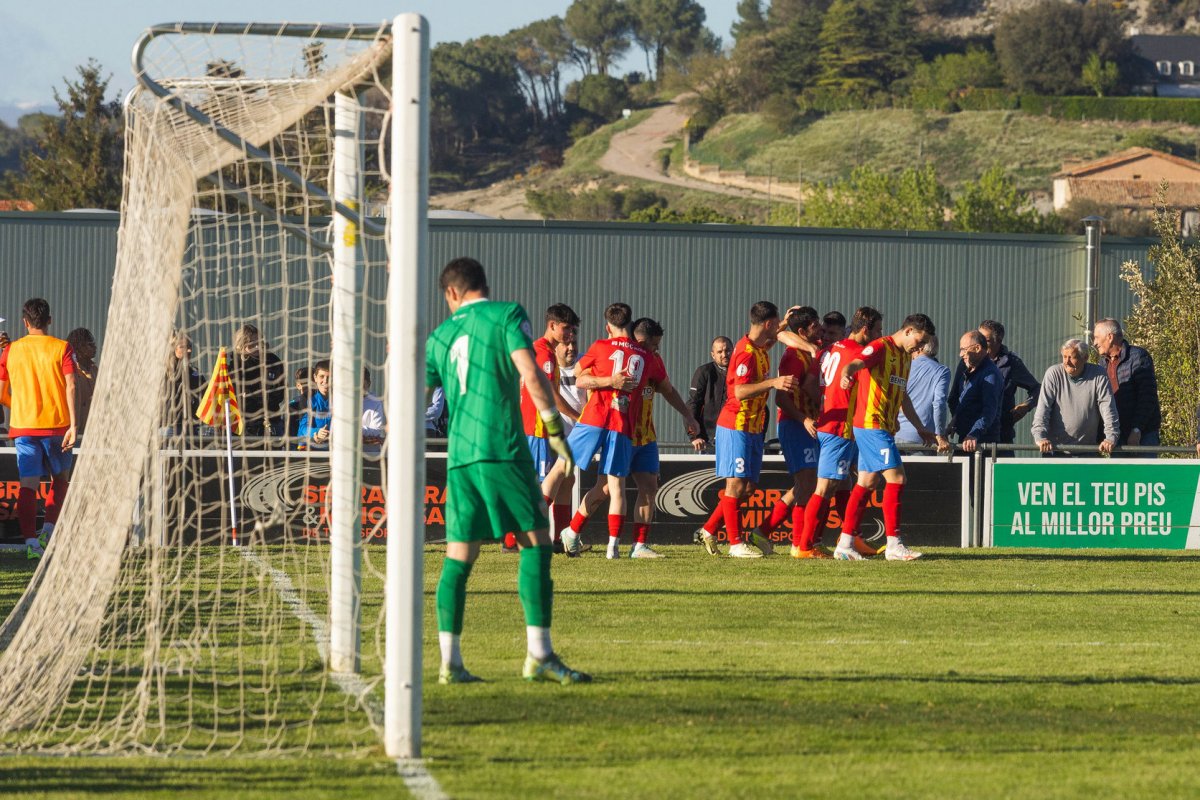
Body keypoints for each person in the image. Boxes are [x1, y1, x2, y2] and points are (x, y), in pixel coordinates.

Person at [425, 256, 588, 685]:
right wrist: (555, 429)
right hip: (502, 446)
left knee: (458, 557)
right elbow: (530, 371)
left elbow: (418, 394)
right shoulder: (507, 314)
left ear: (451, 294)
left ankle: (450, 663)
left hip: (460, 459)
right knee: (537, 542)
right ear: (481, 285)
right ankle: (539, 655)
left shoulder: (439, 336)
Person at [694, 301, 795, 558]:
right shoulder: (746, 352)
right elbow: (738, 391)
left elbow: (769, 341)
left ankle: (708, 529)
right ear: (767, 325)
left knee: (747, 488)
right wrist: (773, 382)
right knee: (735, 484)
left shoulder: (759, 346)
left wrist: (783, 323)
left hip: (752, 427)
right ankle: (736, 543)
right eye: (776, 327)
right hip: (736, 425)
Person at [838, 313, 941, 562]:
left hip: (882, 426)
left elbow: (903, 397)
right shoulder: (880, 347)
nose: (921, 346)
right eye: (919, 339)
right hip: (871, 424)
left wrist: (920, 428)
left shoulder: (906, 357)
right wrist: (847, 373)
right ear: (907, 331)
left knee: (866, 482)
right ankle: (894, 544)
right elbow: (855, 363)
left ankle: (844, 544)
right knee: (897, 477)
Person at [794, 307, 885, 560]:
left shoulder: (833, 349)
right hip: (840, 427)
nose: (880, 334)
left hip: (833, 422)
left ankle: (851, 537)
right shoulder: (858, 354)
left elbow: (811, 384)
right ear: (865, 329)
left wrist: (827, 401)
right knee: (825, 487)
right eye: (877, 330)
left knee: (844, 482)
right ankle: (805, 545)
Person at [0, 298, 77, 559]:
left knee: (28, 485)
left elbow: (1, 394)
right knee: (60, 479)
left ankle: (31, 543)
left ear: (25, 322)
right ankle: (48, 529)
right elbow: (71, 385)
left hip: (24, 426)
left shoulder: (11, 350)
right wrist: (74, 425)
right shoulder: (62, 347)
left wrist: (21, 405)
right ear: (49, 320)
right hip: (57, 425)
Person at [618, 318, 699, 558]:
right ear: (639, 341)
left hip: (646, 437)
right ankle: (574, 531)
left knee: (649, 487)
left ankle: (639, 545)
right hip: (621, 434)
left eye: (658, 345)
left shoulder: (653, 361)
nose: (656, 350)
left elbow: (668, 390)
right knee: (605, 489)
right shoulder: (621, 359)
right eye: (653, 345)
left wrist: (688, 416)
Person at [748, 306, 824, 556]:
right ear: (802, 331)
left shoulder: (814, 347)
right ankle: (800, 545)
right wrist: (803, 419)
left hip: (808, 424)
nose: (820, 328)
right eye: (815, 325)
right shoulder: (793, 356)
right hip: (795, 424)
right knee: (806, 483)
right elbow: (781, 399)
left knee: (804, 485)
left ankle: (763, 532)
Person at [519, 304, 581, 549]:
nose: (570, 335)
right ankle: (518, 539)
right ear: (552, 325)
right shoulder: (544, 354)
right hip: (538, 429)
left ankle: (559, 539)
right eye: (566, 329)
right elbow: (550, 395)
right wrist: (578, 416)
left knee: (566, 479)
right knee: (541, 485)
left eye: (573, 331)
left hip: (540, 428)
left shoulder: (538, 350)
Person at [1031, 338, 1119, 456]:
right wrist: (1040, 436)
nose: (1066, 362)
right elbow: (1043, 409)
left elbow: (1107, 407)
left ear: (1085, 358)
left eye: (1072, 357)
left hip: (1088, 451)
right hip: (1056, 450)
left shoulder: (1098, 374)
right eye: (1064, 357)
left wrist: (1111, 437)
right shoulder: (1053, 374)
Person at [1091, 318, 1161, 454]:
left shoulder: (1139, 357)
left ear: (1110, 337)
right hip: (1118, 435)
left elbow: (1147, 397)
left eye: (1097, 337)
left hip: (1142, 435)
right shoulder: (1102, 364)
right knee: (1121, 475)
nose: (1094, 343)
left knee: (1142, 475)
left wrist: (1137, 429)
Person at [976, 320, 1040, 446]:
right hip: (972, 434)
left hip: (1001, 435)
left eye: (986, 340)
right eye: (979, 338)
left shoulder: (1011, 363)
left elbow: (1037, 389)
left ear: (998, 341)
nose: (980, 344)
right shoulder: (970, 359)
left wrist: (1026, 406)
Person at [948, 330, 1003, 453]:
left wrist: (974, 434)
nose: (961, 354)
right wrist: (955, 419)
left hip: (981, 444)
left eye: (963, 349)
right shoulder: (969, 369)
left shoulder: (990, 374)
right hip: (967, 439)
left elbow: (989, 410)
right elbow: (961, 400)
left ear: (977, 348)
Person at [230, 324, 286, 438]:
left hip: (271, 420)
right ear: (241, 345)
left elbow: (280, 392)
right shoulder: (234, 364)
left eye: (259, 343)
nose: (257, 347)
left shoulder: (272, 361)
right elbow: (237, 393)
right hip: (242, 422)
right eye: (252, 344)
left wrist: (263, 399)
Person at [897, 335, 949, 446]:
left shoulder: (903, 367)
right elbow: (939, 404)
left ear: (920, 347)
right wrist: (940, 435)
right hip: (924, 438)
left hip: (897, 433)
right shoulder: (941, 371)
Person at [687, 336, 731, 452]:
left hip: (734, 437)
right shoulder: (704, 372)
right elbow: (693, 404)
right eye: (720, 352)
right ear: (713, 355)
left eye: (727, 351)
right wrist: (694, 436)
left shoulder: (740, 372)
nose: (724, 354)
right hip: (708, 441)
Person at [166, 331, 203, 436]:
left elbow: (205, 395)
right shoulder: (164, 373)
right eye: (183, 347)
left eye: (190, 346)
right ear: (174, 349)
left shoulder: (194, 373)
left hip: (191, 428)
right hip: (170, 428)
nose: (189, 350)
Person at [65, 328, 97, 436]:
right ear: (80, 347)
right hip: (74, 433)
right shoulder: (71, 372)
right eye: (90, 344)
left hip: (92, 434)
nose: (94, 347)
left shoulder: (95, 370)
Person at [297, 360, 331, 449]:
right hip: (310, 450)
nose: (325, 381)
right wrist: (316, 432)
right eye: (322, 377)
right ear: (315, 378)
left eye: (329, 377)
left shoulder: (341, 400)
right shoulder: (307, 398)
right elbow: (303, 428)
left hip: (335, 451)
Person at [556, 339, 586, 434]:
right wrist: (579, 419)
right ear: (555, 346)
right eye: (566, 344)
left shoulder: (585, 361)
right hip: (559, 439)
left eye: (574, 343)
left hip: (583, 434)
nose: (571, 348)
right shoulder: (548, 365)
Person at [361, 366, 386, 453]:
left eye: (362, 385)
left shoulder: (375, 402)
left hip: (370, 452)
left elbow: (376, 430)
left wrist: (357, 430)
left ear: (369, 384)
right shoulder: (343, 401)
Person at [287, 367, 310, 439]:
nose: (309, 386)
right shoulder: (292, 406)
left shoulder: (321, 403)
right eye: (305, 383)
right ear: (298, 385)